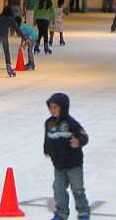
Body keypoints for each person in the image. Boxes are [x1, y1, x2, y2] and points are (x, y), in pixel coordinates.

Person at [44, 92, 90, 220]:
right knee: (58, 189)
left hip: (73, 164)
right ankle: (61, 213)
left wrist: (78, 142)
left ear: (63, 108)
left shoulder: (71, 123)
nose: (52, 110)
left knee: (78, 189)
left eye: (55, 107)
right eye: (50, 107)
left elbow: (84, 136)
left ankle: (83, 212)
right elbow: (48, 138)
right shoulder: (49, 123)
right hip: (58, 164)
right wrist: (47, 149)